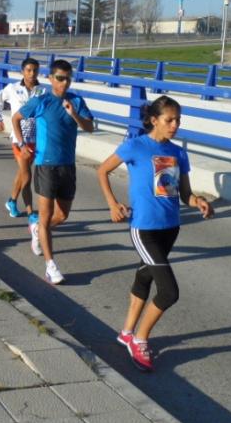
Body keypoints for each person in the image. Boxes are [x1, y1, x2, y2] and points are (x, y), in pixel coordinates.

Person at [97, 95, 213, 372]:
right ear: (153, 120)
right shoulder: (135, 146)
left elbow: (184, 193)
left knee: (144, 277)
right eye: (169, 120)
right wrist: (113, 204)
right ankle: (140, 339)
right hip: (144, 229)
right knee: (169, 292)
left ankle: (126, 332)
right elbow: (103, 170)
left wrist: (197, 201)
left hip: (170, 228)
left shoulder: (178, 153)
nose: (175, 125)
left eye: (178, 120)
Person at [12, 59, 94, 284]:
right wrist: (21, 144)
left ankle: (38, 230)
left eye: (68, 78)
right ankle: (51, 266)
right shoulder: (42, 101)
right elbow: (16, 118)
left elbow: (90, 127)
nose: (64, 83)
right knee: (46, 216)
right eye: (60, 78)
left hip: (68, 165)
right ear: (50, 78)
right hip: (45, 164)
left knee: (62, 215)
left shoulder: (76, 101)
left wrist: (74, 114)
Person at [0, 57, 45, 242]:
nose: (32, 74)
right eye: (28, 70)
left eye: (35, 70)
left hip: (36, 139)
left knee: (23, 174)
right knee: (27, 176)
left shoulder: (42, 90)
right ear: (23, 71)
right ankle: (31, 213)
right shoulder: (13, 88)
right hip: (18, 139)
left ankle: (12, 201)